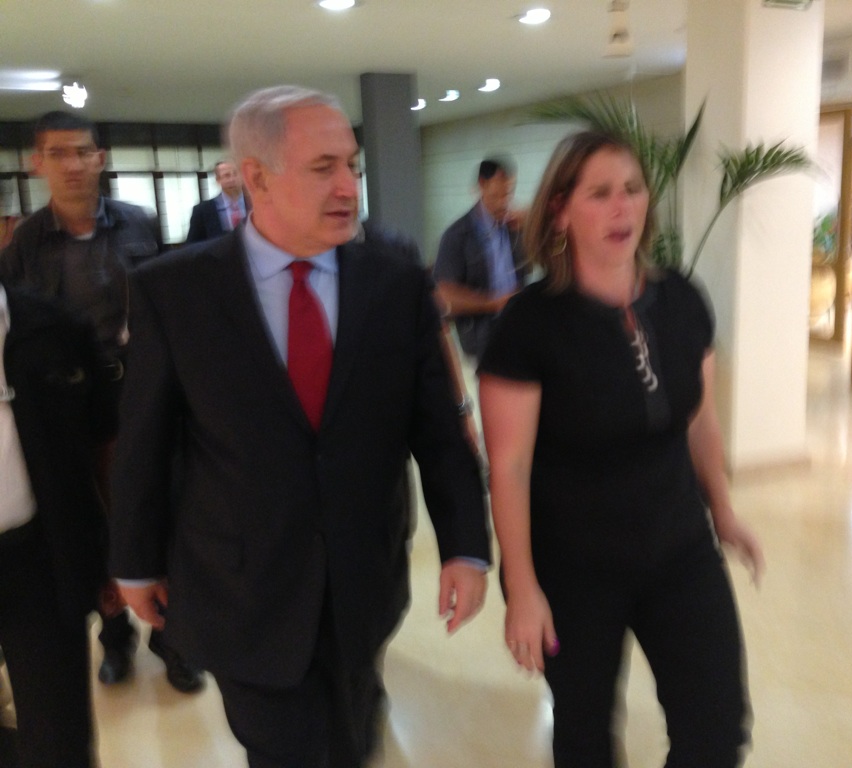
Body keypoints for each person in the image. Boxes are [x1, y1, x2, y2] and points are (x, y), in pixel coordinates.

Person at [109, 85, 491, 767]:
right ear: (256, 177)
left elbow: (438, 431)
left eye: (352, 165)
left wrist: (465, 546)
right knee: (285, 749)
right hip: (240, 586)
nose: (348, 186)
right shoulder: (175, 290)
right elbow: (146, 439)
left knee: (351, 732)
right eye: (324, 168)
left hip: (363, 577)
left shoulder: (396, 284)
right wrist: (135, 561)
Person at [478, 131, 765, 768]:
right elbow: (510, 467)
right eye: (600, 193)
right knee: (584, 739)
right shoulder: (530, 324)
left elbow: (699, 421)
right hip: (574, 567)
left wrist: (723, 511)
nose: (621, 208)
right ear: (560, 212)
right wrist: (522, 587)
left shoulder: (682, 299)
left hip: (679, 548)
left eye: (632, 189)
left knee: (718, 729)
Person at [0, 110, 204, 694]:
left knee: (161, 509)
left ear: (100, 158)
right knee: (93, 517)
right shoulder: (24, 245)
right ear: (36, 164)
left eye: (82, 152)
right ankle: (115, 638)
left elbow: (166, 305)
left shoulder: (138, 223)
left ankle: (174, 637)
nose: (72, 164)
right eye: (57, 153)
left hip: (141, 390)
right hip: (66, 405)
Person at [0, 279, 118, 767]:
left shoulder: (55, 329)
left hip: (40, 560)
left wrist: (122, 554)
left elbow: (105, 443)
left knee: (58, 739)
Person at [433, 157, 529, 359]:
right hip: (481, 340)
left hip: (519, 331)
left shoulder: (515, 227)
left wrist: (530, 223)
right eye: (497, 195)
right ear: (482, 185)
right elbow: (445, 295)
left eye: (508, 193)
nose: (504, 202)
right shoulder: (457, 235)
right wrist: (495, 303)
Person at [185, 159, 248, 243]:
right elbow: (192, 245)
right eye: (227, 175)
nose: (232, 179)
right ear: (218, 180)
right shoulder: (203, 210)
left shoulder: (256, 204)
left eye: (236, 174)